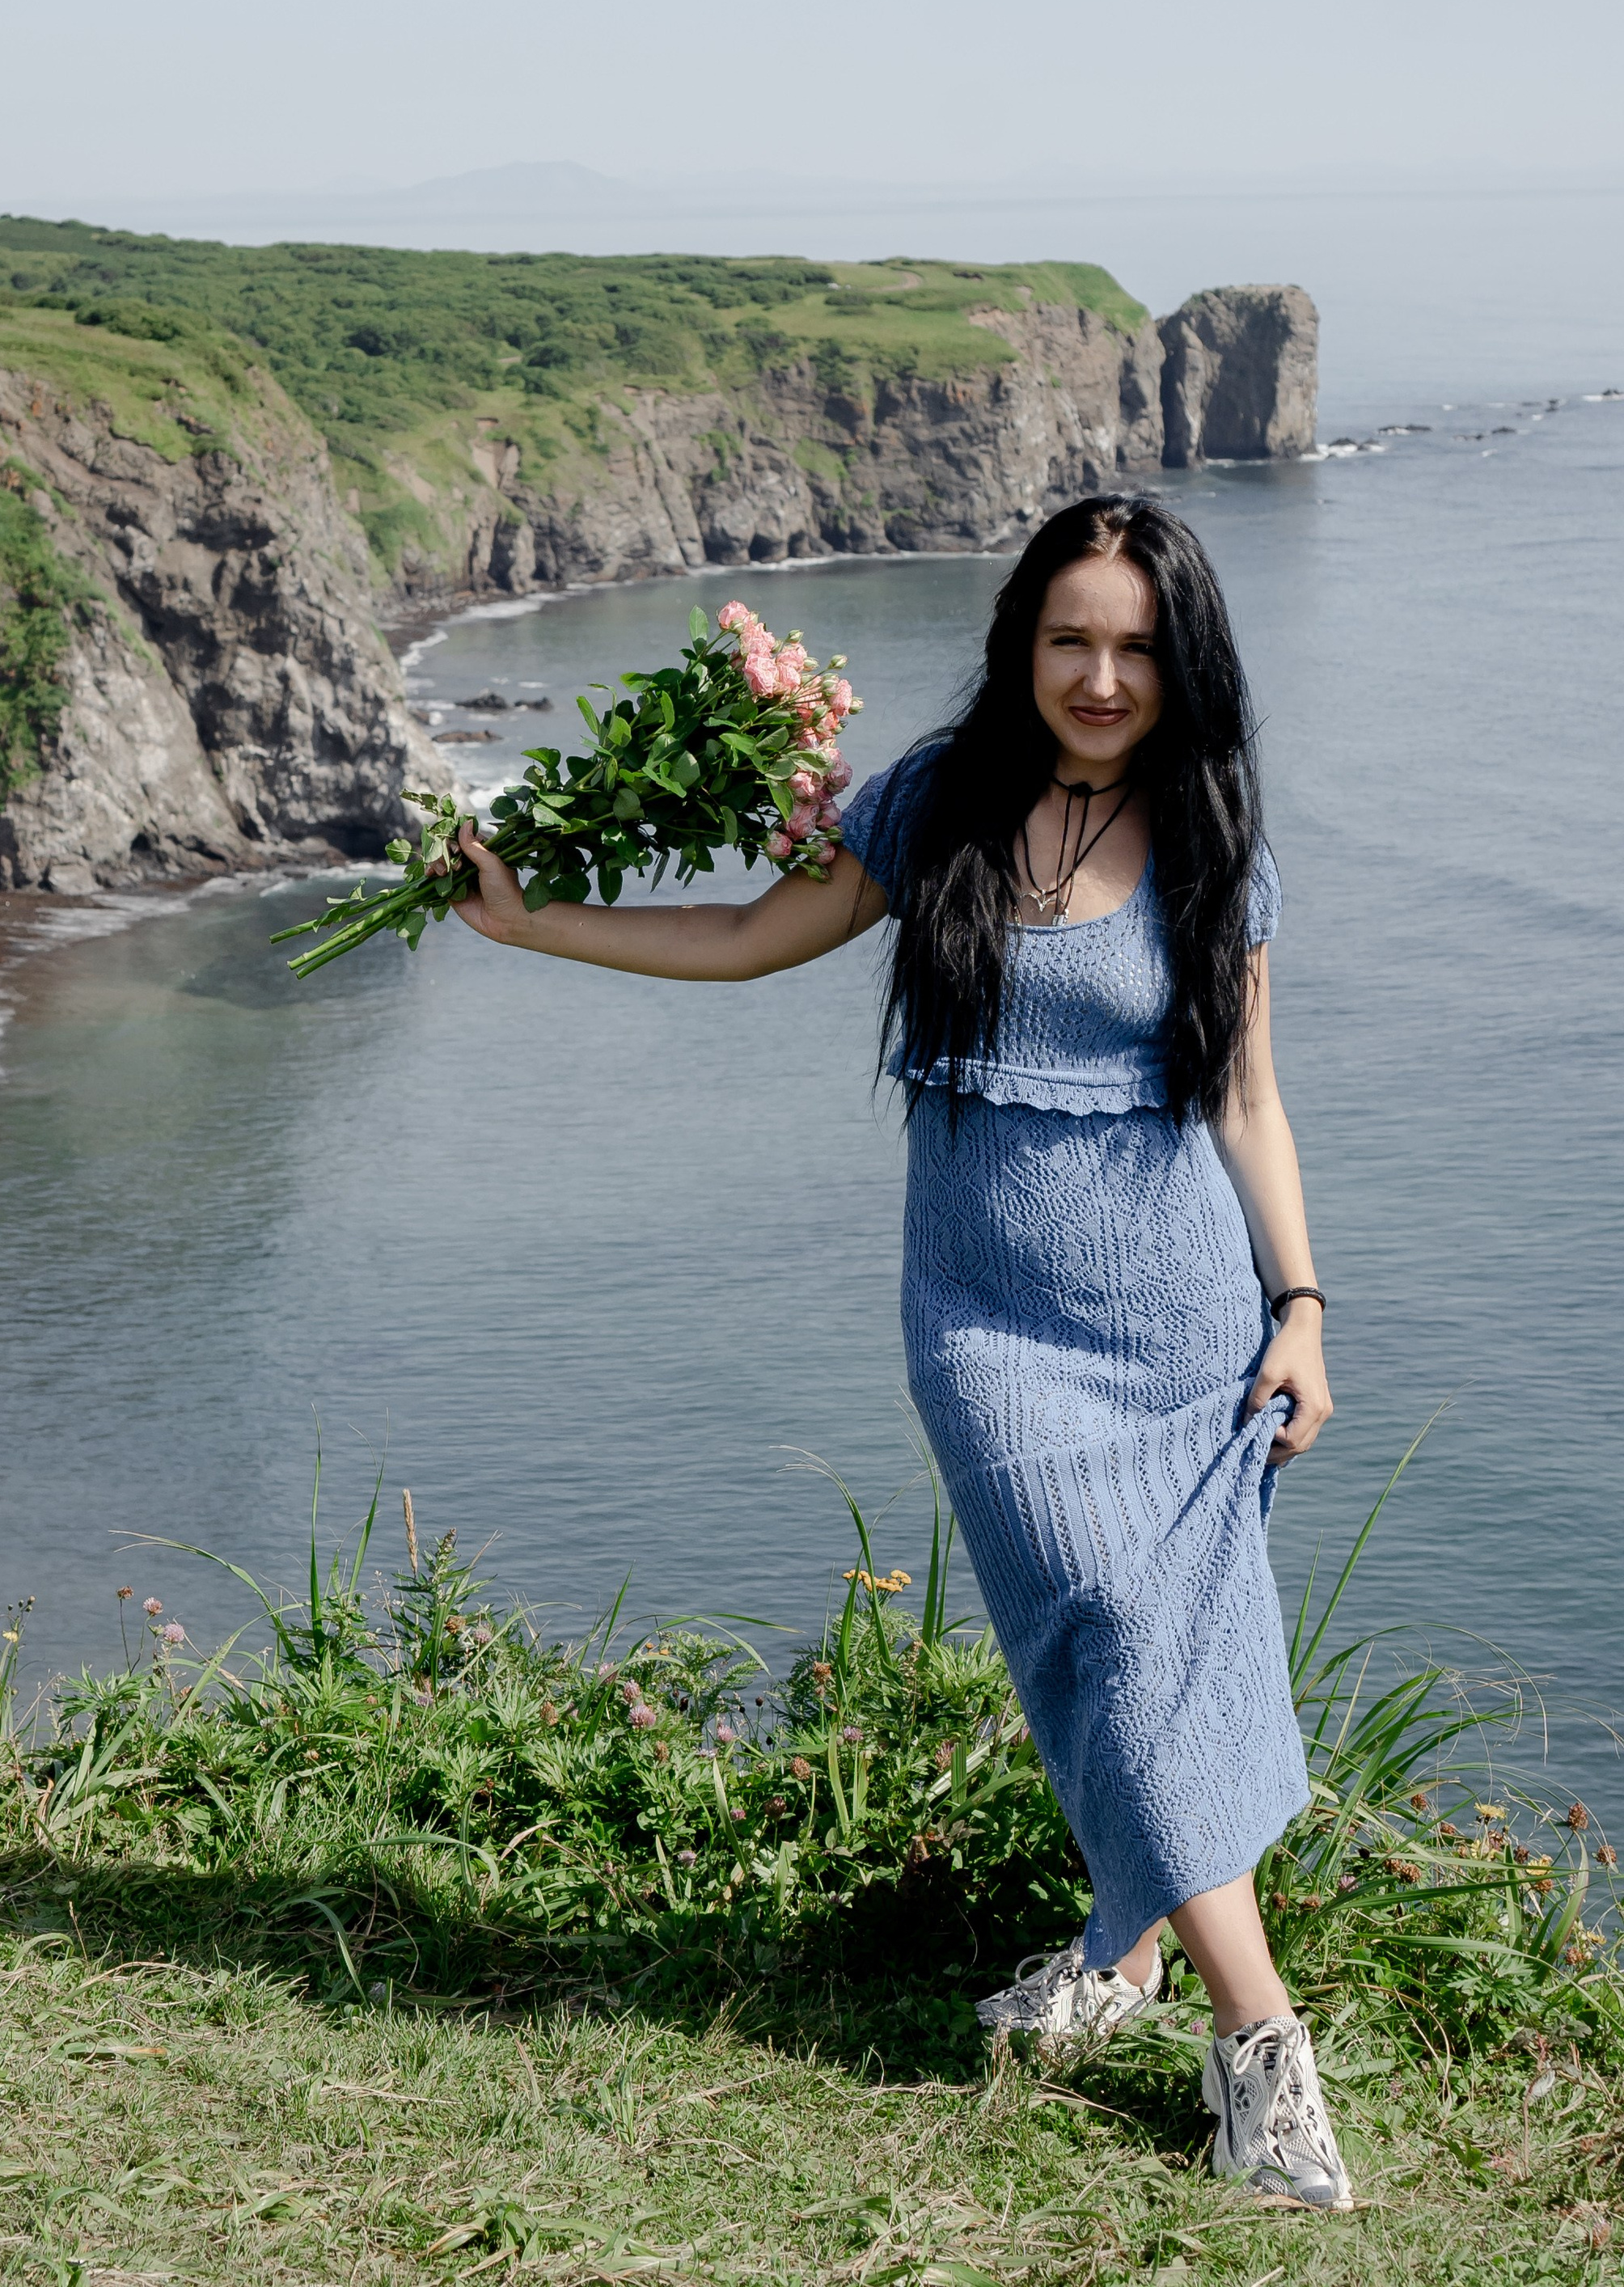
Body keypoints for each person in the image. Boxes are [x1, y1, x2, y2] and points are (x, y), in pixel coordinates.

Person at [450, 493, 1350, 2212]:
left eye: (1136, 647)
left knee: (1158, 1653)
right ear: (1022, 643)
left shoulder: (1212, 832)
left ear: (1184, 663)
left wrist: (1299, 1309)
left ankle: (1125, 1963)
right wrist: (532, 921)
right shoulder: (935, 803)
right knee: (1108, 1629)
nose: (1102, 678)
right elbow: (746, 936)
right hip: (989, 1332)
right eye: (1070, 639)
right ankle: (1262, 2047)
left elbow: (1246, 1098)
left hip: (1182, 1318)